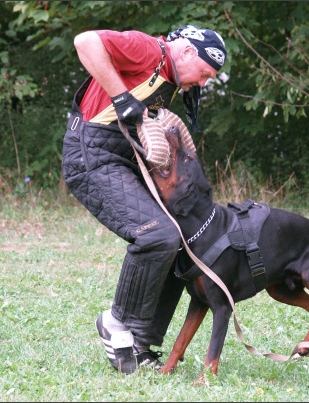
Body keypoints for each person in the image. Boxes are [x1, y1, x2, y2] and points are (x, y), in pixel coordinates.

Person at [61, 25, 227, 374]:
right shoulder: (151, 50)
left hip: (119, 159)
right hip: (91, 155)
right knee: (157, 234)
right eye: (205, 74)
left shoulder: (168, 73)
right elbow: (85, 41)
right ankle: (117, 323)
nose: (203, 83)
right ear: (186, 53)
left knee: (182, 242)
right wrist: (122, 98)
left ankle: (140, 344)